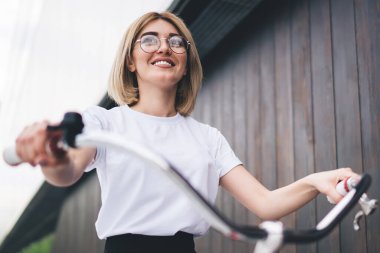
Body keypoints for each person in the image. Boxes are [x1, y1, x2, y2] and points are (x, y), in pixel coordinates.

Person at [14, 12, 360, 253]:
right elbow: (67, 170)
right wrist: (51, 155)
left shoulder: (207, 138)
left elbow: (266, 205)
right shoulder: (106, 123)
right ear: (131, 60)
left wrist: (315, 182)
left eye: (176, 42)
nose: (164, 47)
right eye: (149, 40)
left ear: (185, 64)